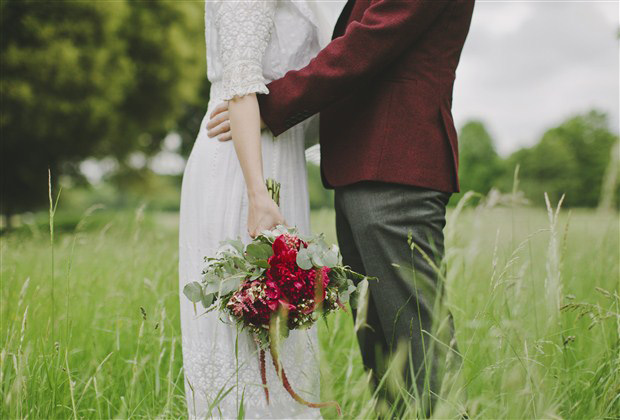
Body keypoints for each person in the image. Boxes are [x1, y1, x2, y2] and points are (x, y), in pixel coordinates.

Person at [207, 0, 476, 415]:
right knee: (381, 347)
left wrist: (269, 104)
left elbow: (366, 44)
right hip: (364, 166)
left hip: (397, 168)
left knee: (418, 337)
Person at [178, 0, 336, 418]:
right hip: (241, 163)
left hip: (279, 155)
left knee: (281, 330)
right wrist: (257, 194)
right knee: (241, 327)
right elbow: (241, 84)